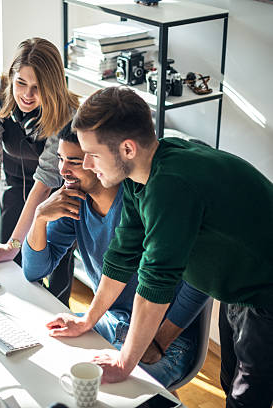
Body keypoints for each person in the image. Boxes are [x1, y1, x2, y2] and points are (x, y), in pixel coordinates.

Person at [59, 86, 272, 407]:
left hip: (265, 293)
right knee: (232, 382)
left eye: (93, 154)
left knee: (248, 396)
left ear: (127, 148)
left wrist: (124, 362)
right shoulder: (139, 175)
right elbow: (122, 255)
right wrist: (88, 319)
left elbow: (155, 283)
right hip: (240, 287)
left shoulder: (170, 186)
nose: (86, 164)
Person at [23, 123, 210, 388]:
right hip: (109, 322)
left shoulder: (145, 203)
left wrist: (158, 341)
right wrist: (40, 217)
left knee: (104, 393)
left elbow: (201, 280)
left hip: (163, 337)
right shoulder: (73, 201)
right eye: (61, 159)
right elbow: (34, 270)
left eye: (74, 161)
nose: (63, 171)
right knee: (44, 360)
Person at [0, 38, 80, 275]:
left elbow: (46, 179)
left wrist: (14, 245)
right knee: (4, 263)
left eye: (38, 87)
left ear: (52, 87)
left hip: (56, 190)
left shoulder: (67, 114)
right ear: (11, 77)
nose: (27, 95)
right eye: (21, 83)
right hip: (13, 182)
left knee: (48, 266)